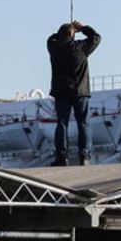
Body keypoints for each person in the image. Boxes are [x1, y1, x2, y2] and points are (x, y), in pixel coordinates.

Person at [46, 21, 101, 166]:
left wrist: (68, 32)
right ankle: (84, 157)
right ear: (72, 34)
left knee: (62, 123)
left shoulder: (54, 47)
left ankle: (61, 157)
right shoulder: (81, 48)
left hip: (61, 92)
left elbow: (50, 38)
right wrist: (82, 28)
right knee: (83, 123)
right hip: (80, 92)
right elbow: (96, 37)